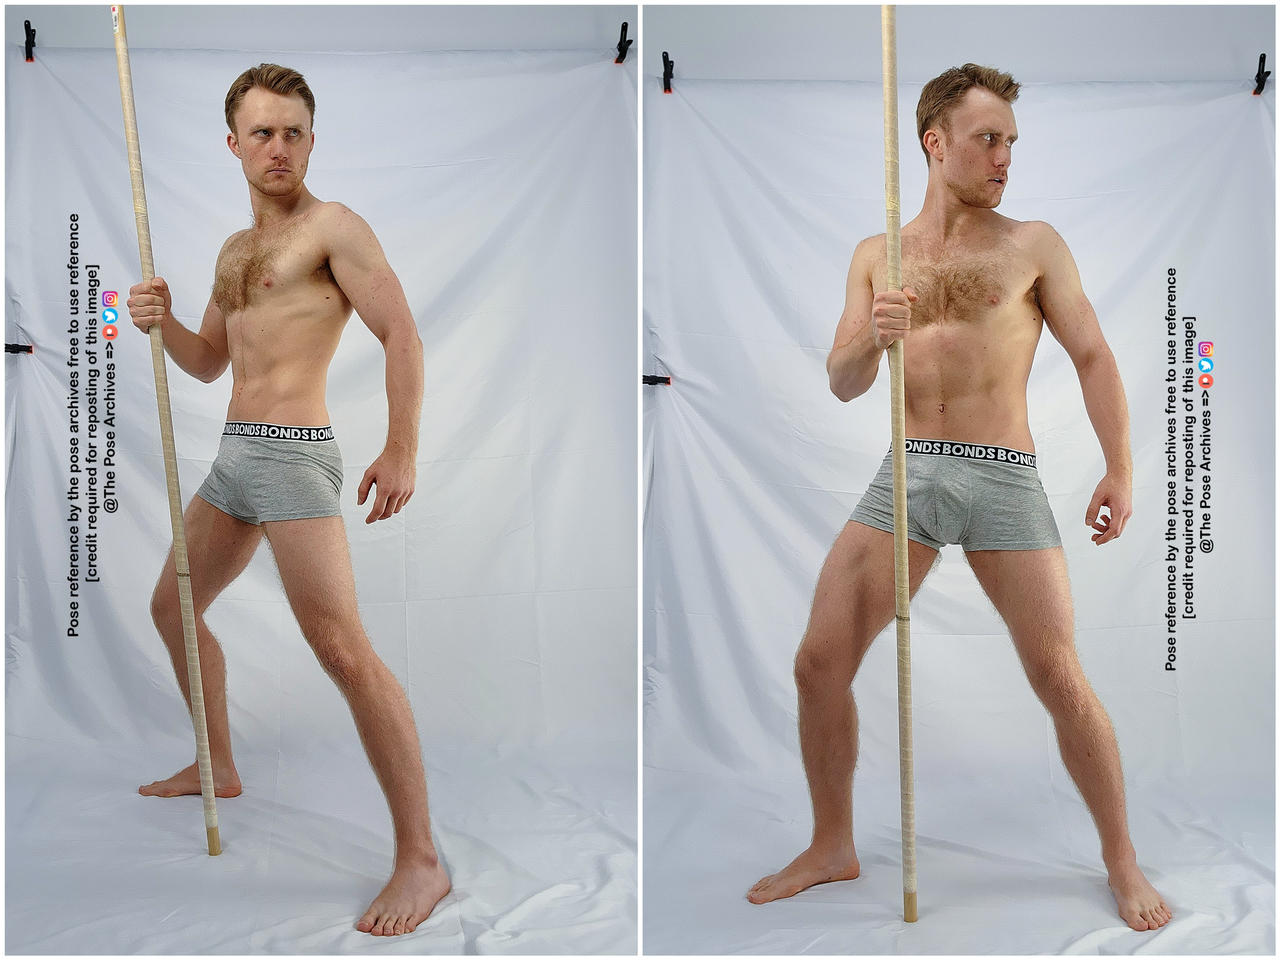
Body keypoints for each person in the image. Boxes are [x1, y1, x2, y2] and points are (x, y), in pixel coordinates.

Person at [746, 64, 1172, 932]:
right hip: (907, 473)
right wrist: (873, 331)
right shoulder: (879, 256)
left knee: (1058, 676)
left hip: (1001, 474)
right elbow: (840, 381)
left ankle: (1121, 860)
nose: (1005, 156)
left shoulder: (1032, 245)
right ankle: (833, 844)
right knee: (817, 663)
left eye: (1012, 141)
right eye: (988, 138)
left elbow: (1094, 356)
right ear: (935, 142)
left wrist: (1121, 469)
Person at [127, 63, 448, 937]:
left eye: (293, 132)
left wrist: (402, 446)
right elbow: (208, 363)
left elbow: (402, 335)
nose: (278, 147)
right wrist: (157, 324)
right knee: (172, 605)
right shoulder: (236, 251)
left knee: (344, 652)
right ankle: (218, 765)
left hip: (296, 457)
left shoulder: (333, 228)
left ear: (312, 141)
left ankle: (422, 860)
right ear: (233, 144)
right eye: (262, 132)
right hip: (234, 459)